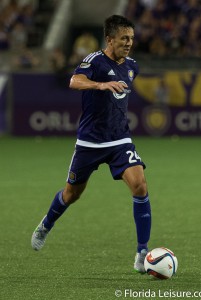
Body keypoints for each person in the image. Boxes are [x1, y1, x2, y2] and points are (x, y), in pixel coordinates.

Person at [31, 15, 151, 274]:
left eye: (131, 38)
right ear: (110, 39)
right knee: (71, 195)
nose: (129, 43)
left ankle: (142, 253)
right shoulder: (94, 61)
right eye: (124, 39)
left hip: (120, 139)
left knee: (140, 185)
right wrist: (100, 84)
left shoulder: (132, 66)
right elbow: (74, 81)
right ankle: (46, 224)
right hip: (90, 142)